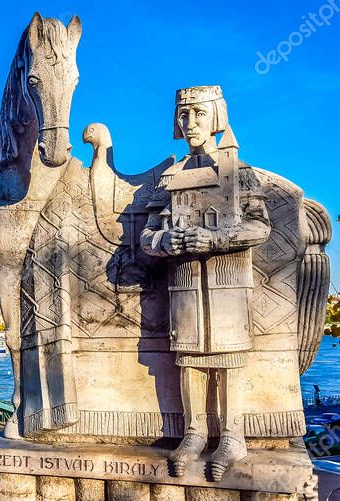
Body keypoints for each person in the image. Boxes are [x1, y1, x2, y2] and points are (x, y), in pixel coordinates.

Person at [140, 85, 271, 479]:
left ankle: (232, 435)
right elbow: (147, 234)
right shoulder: (170, 177)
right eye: (184, 114)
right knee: (190, 360)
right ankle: (194, 432)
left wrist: (216, 239)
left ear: (216, 117)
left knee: (229, 359)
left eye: (198, 113)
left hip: (228, 285)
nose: (190, 122)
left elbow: (260, 226)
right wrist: (164, 241)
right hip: (184, 286)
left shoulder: (239, 172)